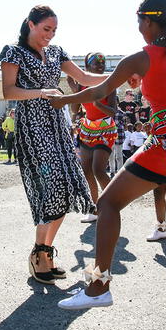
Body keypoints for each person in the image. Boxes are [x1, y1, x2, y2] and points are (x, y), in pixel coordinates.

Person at [52, 0, 166, 309]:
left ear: (147, 20)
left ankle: (98, 286)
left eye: (139, 21)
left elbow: (101, 90)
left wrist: (63, 100)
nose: (138, 27)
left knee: (108, 203)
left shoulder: (140, 58)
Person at [0, 5, 104, 285]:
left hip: (58, 125)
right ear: (30, 24)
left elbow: (85, 79)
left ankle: (43, 252)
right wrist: (41, 92)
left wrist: (123, 76)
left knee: (68, 187)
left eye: (54, 30)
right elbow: (8, 91)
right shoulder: (13, 51)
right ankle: (40, 253)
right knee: (53, 185)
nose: (50, 35)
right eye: (46, 29)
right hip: (32, 126)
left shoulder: (57, 52)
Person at [68, 52, 118, 224]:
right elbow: (75, 110)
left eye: (102, 64)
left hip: (105, 128)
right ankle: (94, 208)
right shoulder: (82, 85)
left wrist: (97, 104)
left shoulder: (109, 84)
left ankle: (112, 205)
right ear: (87, 67)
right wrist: (75, 91)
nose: (100, 66)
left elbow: (113, 111)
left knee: (98, 170)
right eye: (96, 63)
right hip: (88, 129)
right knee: (86, 170)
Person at [108, 99, 125, 176]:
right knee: (111, 155)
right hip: (110, 136)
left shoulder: (121, 113)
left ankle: (119, 171)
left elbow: (123, 124)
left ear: (117, 102)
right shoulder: (107, 112)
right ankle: (112, 171)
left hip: (119, 135)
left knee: (119, 156)